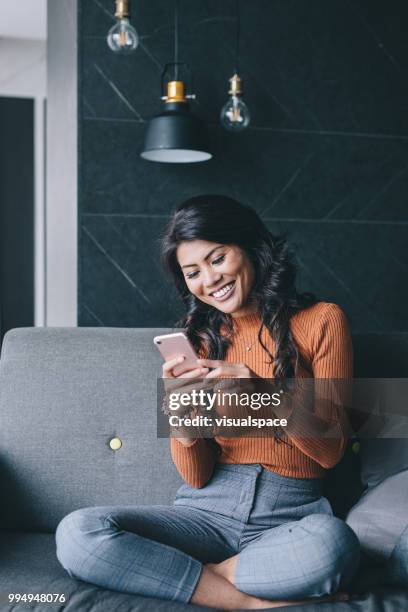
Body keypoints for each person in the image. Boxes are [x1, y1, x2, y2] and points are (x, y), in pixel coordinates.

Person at [55, 195, 360, 610]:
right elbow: (196, 478)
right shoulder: (200, 340)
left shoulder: (322, 320)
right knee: (79, 533)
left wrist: (264, 395)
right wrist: (180, 422)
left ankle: (196, 574)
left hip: (290, 517)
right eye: (192, 272)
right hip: (203, 516)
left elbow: (329, 451)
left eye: (217, 259)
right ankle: (247, 601)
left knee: (334, 546)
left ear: (252, 247)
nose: (209, 280)